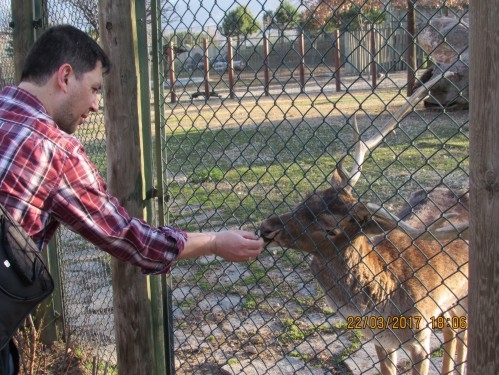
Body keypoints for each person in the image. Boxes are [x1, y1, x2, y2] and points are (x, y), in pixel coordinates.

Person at [0, 25, 263, 374]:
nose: (96, 104)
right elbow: (129, 238)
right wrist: (214, 242)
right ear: (64, 76)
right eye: (94, 89)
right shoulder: (55, 150)